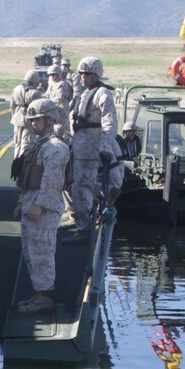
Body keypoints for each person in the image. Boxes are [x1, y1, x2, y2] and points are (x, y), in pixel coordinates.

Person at [13, 98, 70, 315]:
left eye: (38, 120)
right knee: (31, 252)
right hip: (31, 201)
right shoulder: (39, 145)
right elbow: (27, 177)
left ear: (49, 120)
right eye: (33, 120)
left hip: (43, 208)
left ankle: (45, 297)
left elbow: (52, 180)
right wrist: (22, 202)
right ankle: (39, 293)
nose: (34, 124)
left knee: (42, 252)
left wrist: (39, 205)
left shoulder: (56, 148)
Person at [66, 56, 118, 243]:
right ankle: (82, 220)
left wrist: (105, 148)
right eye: (80, 73)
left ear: (96, 75)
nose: (82, 77)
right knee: (75, 185)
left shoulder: (102, 94)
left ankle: (84, 230)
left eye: (86, 74)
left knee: (81, 188)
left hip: (91, 149)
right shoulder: (85, 93)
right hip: (80, 147)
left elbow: (109, 123)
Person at [8, 68, 48, 156]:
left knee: (17, 144)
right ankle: (23, 165)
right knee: (26, 144)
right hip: (28, 121)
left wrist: (14, 116)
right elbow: (40, 106)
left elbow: (12, 105)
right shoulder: (35, 93)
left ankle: (16, 163)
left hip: (17, 119)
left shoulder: (17, 89)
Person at [46, 65, 75, 138]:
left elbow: (60, 98)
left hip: (61, 111)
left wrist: (48, 102)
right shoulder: (52, 84)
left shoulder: (62, 84)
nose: (52, 77)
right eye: (50, 75)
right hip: (54, 111)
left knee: (61, 132)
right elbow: (47, 94)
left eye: (54, 75)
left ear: (58, 74)